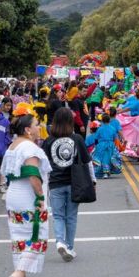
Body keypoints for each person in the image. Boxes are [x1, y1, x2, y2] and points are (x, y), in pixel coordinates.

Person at [2, 112, 51, 277]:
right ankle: (17, 274)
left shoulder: (13, 146)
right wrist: (40, 197)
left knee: (19, 238)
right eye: (37, 124)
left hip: (14, 194)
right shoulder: (30, 147)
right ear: (28, 130)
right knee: (37, 235)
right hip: (28, 196)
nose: (39, 127)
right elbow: (32, 173)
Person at [43, 108, 96, 262]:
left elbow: (43, 164)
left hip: (55, 183)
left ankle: (60, 241)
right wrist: (93, 180)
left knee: (58, 215)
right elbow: (87, 162)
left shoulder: (49, 140)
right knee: (71, 217)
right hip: (75, 183)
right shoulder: (77, 139)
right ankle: (70, 247)